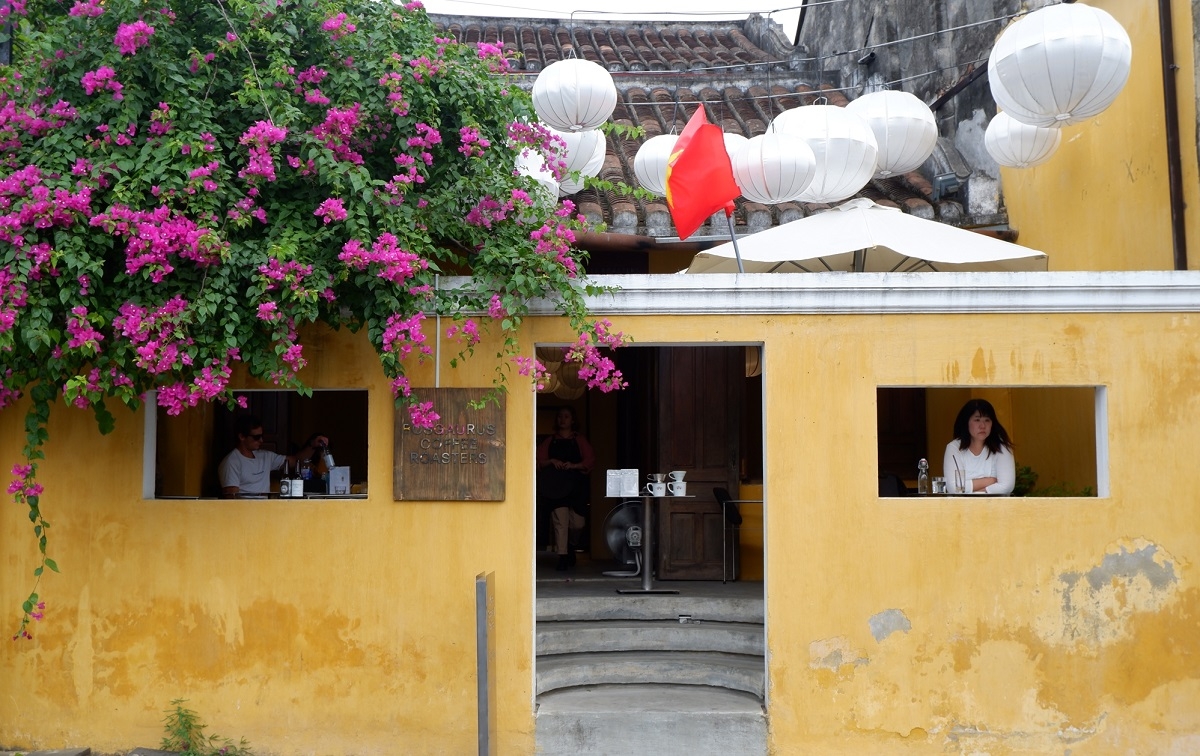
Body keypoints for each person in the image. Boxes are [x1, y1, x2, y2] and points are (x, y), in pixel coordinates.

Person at [536, 406, 594, 571]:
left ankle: (570, 545)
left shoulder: (580, 440)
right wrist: (552, 461)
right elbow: (538, 462)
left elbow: (590, 461)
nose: (563, 419)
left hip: (577, 486)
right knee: (560, 522)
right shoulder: (549, 441)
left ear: (572, 420)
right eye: (560, 416)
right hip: (556, 487)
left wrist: (574, 465)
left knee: (578, 523)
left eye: (566, 416)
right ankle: (562, 557)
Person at [218, 416, 329, 498]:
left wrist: (312, 445)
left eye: (262, 436)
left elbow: (295, 461)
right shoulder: (231, 462)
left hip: (266, 512)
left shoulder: (265, 456)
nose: (261, 440)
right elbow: (231, 499)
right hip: (245, 516)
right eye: (256, 437)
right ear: (242, 436)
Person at [943, 399, 1015, 495]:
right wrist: (990, 480)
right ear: (966, 422)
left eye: (987, 420)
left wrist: (972, 491)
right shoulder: (954, 448)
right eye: (977, 420)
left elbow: (1007, 486)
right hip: (962, 508)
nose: (982, 425)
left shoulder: (1001, 447)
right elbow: (954, 487)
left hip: (995, 507)